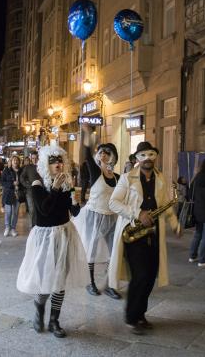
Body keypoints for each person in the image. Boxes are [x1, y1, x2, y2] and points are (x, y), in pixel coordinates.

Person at [109, 141, 180, 335]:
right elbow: (113, 203)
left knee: (149, 277)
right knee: (139, 275)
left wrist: (175, 224)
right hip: (134, 234)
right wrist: (138, 213)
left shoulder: (161, 179)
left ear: (155, 157)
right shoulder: (126, 178)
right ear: (137, 159)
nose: (147, 159)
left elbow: (166, 204)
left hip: (153, 234)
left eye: (151, 155)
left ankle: (140, 314)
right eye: (143, 155)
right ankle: (131, 317)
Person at [16, 145, 86, 338]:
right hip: (45, 237)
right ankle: (39, 308)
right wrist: (54, 189)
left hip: (64, 233)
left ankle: (55, 320)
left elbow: (74, 213)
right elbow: (44, 210)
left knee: (60, 279)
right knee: (46, 279)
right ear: (46, 164)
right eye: (53, 161)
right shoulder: (38, 184)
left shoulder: (67, 184)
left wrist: (76, 202)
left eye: (60, 160)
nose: (57, 164)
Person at [73, 125, 121, 299]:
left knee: (115, 252)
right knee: (91, 251)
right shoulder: (95, 172)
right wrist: (87, 135)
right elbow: (86, 154)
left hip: (112, 217)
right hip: (93, 215)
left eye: (107, 153)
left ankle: (110, 285)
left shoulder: (118, 177)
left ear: (113, 157)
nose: (103, 155)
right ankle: (90, 282)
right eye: (100, 152)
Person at [20, 151, 43, 227]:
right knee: (32, 208)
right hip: (30, 191)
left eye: (36, 158)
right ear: (31, 158)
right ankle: (33, 225)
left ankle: (39, 223)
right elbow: (22, 177)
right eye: (33, 158)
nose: (34, 160)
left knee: (40, 208)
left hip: (41, 190)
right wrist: (27, 185)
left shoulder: (42, 166)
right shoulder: (28, 167)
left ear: (38, 158)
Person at [1, 155, 22, 237]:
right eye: (14, 160)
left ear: (19, 162)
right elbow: (2, 182)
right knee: (8, 212)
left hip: (18, 194)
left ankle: (13, 228)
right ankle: (7, 227)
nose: (15, 162)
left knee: (15, 213)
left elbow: (24, 180)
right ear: (11, 161)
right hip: (8, 193)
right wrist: (12, 183)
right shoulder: (7, 170)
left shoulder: (21, 170)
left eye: (17, 160)